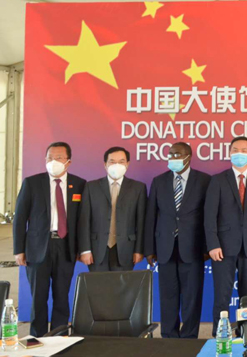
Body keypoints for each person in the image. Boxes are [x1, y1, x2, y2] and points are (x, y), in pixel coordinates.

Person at [12, 142, 86, 337]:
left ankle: (59, 337)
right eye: (50, 157)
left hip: (66, 246)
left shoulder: (79, 184)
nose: (54, 161)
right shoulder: (32, 183)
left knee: (62, 296)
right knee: (38, 297)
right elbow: (20, 218)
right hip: (37, 248)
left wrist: (82, 248)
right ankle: (37, 338)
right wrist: (19, 249)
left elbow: (82, 220)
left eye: (59, 157)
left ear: (68, 162)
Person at [205, 136, 247, 333]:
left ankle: (246, 333)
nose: (239, 154)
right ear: (229, 153)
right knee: (222, 295)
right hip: (223, 247)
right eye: (235, 150)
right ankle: (220, 334)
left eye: (244, 150)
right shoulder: (218, 180)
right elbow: (209, 215)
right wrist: (212, 244)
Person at [144, 142, 211, 339]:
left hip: (193, 248)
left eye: (177, 154)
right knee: (168, 296)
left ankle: (189, 337)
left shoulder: (204, 180)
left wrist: (207, 247)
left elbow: (209, 216)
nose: (173, 158)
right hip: (165, 247)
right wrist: (149, 249)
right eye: (171, 154)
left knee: (192, 297)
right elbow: (151, 216)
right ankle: (169, 337)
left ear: (188, 157)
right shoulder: (159, 181)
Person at [78, 146, 146, 271]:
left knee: (122, 284)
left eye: (121, 161)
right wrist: (85, 249)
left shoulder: (138, 188)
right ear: (105, 164)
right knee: (98, 284)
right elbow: (84, 220)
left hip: (126, 249)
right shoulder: (91, 187)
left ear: (127, 164)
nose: (117, 165)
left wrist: (139, 250)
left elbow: (141, 222)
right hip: (96, 250)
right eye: (112, 161)